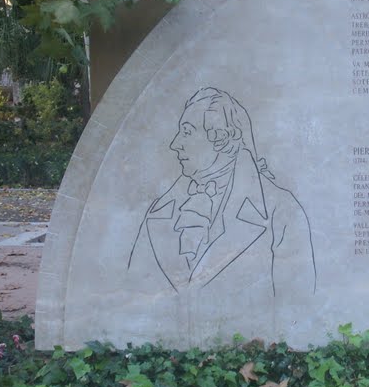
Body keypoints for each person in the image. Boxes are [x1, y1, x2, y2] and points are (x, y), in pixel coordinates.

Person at [128, 87, 315, 298]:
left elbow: (298, 302)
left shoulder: (279, 210)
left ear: (221, 138)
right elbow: (131, 294)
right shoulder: (159, 212)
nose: (175, 144)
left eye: (187, 132)